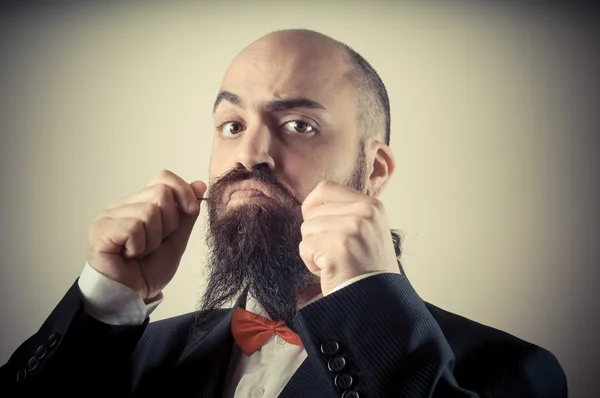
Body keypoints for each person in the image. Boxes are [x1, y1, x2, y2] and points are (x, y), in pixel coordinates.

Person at [0, 29, 567, 398]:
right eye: (232, 126)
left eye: (299, 125)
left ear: (374, 172)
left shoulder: (510, 372)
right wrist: (106, 301)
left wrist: (368, 300)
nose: (250, 154)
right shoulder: (135, 354)